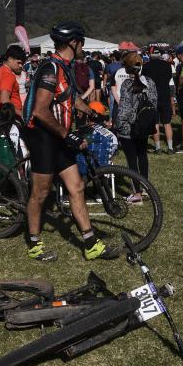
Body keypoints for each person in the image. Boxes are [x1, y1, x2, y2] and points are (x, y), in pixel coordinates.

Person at [23, 21, 120, 262]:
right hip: (44, 137)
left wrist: (91, 112)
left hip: (59, 136)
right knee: (40, 193)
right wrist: (67, 135)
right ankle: (34, 242)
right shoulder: (50, 69)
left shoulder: (65, 67)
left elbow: (70, 98)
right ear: (72, 42)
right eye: (81, 41)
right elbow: (39, 111)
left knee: (76, 187)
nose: (83, 46)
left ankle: (90, 243)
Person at [113, 52, 156, 203]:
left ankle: (136, 193)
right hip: (144, 126)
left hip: (128, 128)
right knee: (142, 156)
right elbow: (153, 103)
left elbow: (124, 108)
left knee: (132, 160)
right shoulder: (150, 81)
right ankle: (145, 188)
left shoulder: (127, 84)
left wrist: (117, 125)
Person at [142, 49, 174, 154]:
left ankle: (158, 148)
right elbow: (169, 78)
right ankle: (170, 148)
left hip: (152, 96)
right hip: (164, 95)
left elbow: (144, 80)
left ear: (150, 56)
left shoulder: (146, 66)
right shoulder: (167, 65)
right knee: (167, 123)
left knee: (155, 123)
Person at [0, 46, 25, 113]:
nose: (20, 66)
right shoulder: (7, 74)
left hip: (4, 114)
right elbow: (4, 101)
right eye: (18, 62)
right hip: (12, 116)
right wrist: (21, 114)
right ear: (10, 59)